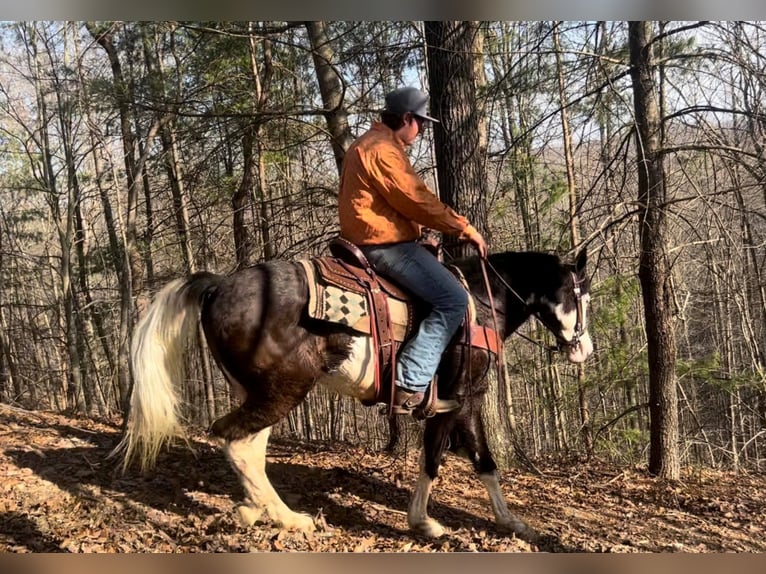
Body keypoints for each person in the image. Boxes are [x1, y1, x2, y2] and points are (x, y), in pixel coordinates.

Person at [337, 86, 488, 417]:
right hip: (383, 246)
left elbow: (393, 205)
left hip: (379, 238)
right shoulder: (381, 150)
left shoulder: (370, 145)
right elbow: (416, 200)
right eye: (420, 122)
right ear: (406, 118)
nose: (421, 130)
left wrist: (417, 234)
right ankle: (409, 383)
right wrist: (464, 228)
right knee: (454, 300)